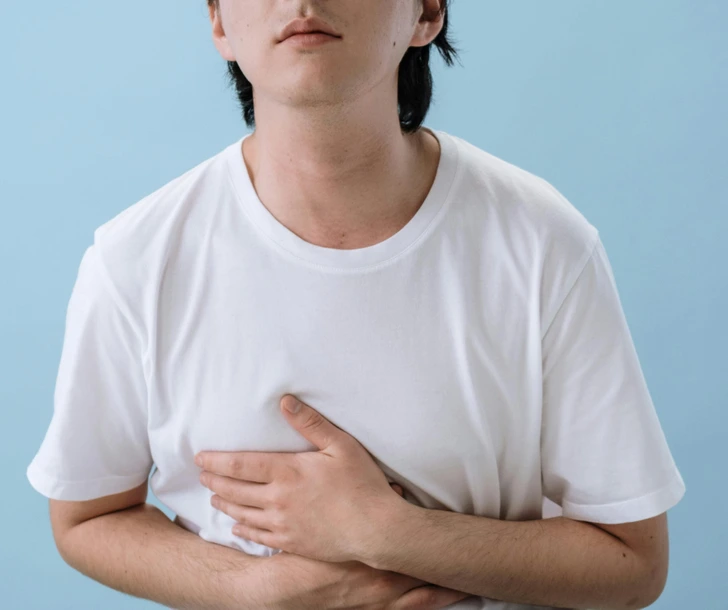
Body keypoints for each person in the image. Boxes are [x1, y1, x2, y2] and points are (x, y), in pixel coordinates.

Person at [27, 1, 686, 609]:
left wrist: (389, 532)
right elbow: (86, 518)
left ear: (426, 12)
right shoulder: (136, 259)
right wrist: (255, 591)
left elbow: (632, 561)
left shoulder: (542, 242)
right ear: (220, 23)